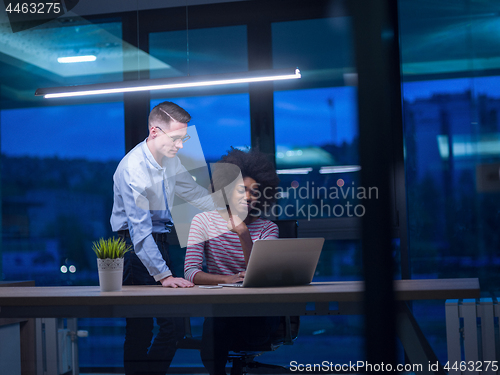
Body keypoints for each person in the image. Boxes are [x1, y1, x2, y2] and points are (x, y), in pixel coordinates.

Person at [110, 101, 216, 375]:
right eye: (176, 139)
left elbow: (191, 193)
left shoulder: (171, 161)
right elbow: (140, 233)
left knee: (168, 327)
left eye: (184, 138)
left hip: (159, 242)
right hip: (134, 249)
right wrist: (165, 276)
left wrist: (225, 208)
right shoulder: (133, 169)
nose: (181, 146)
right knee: (145, 328)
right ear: (155, 132)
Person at [184, 147, 281, 375]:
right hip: (221, 310)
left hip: (258, 313)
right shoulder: (203, 222)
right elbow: (190, 272)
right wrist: (228, 279)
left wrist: (243, 233)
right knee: (219, 324)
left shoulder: (268, 228)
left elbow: (263, 274)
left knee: (221, 328)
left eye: (255, 192)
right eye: (241, 190)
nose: (248, 196)